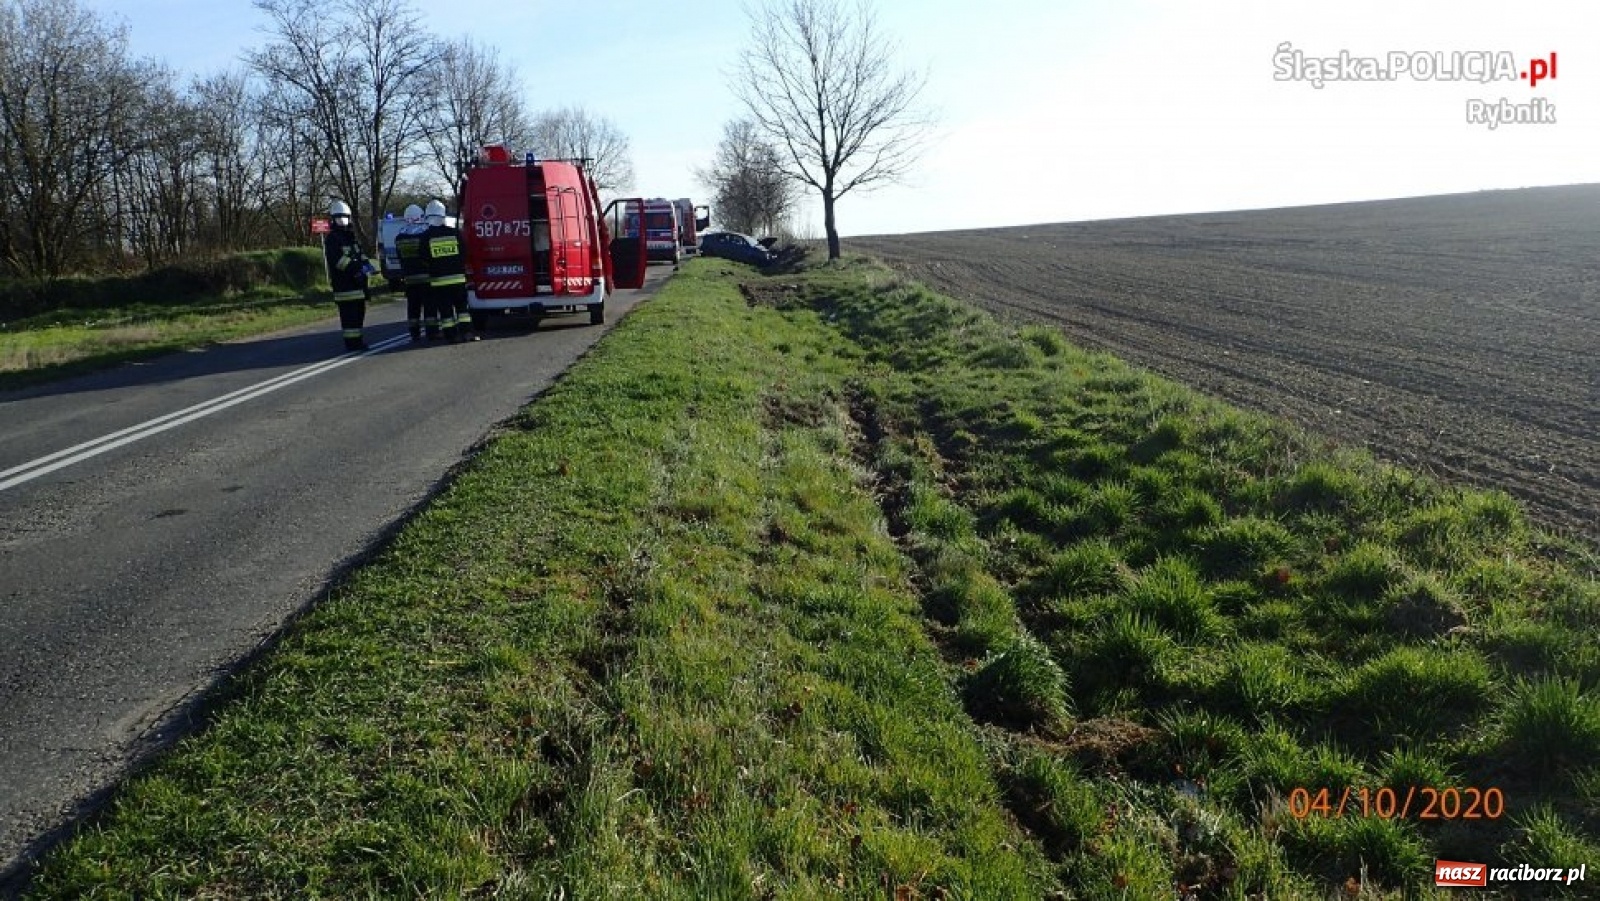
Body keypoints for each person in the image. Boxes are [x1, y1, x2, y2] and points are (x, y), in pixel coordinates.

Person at [322, 200, 373, 351]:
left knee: (358, 316)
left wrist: (367, 265)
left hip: (358, 287)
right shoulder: (332, 239)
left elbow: (359, 254)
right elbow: (338, 261)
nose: (342, 221)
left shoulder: (351, 237)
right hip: (345, 287)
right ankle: (352, 344)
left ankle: (357, 341)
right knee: (349, 318)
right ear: (333, 219)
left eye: (344, 217)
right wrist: (357, 268)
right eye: (339, 218)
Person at [421, 199, 474, 343]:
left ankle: (452, 336)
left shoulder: (425, 237)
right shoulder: (455, 233)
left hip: (439, 282)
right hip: (458, 279)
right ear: (443, 216)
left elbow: (423, 258)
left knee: (446, 312)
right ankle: (467, 333)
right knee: (462, 310)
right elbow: (464, 252)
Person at [392, 204, 434, 341]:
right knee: (429, 306)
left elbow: (400, 257)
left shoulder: (400, 237)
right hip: (426, 277)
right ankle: (431, 331)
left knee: (413, 307)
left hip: (410, 278)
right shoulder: (425, 234)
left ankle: (414, 332)